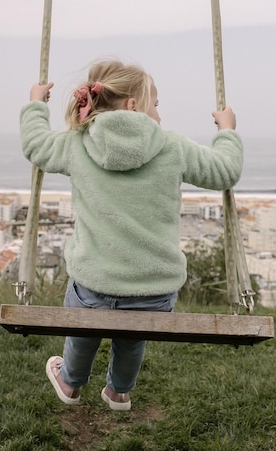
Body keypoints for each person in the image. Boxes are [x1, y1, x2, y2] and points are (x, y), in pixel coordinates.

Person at [20, 59, 243, 411]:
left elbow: (35, 145)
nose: (158, 113)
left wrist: (35, 104)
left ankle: (70, 382)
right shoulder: (173, 147)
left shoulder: (76, 145)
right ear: (133, 105)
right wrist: (227, 131)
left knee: (83, 326)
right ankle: (119, 392)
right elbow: (225, 171)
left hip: (94, 283)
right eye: (155, 104)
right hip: (154, 289)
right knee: (134, 335)